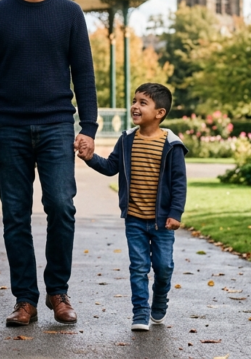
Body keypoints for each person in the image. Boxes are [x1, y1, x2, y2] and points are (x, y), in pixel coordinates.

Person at [0, 0, 98, 327]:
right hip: (9, 126)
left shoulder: (70, 13)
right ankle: (25, 299)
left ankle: (58, 292)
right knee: (15, 215)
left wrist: (89, 127)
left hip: (57, 125)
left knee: (61, 205)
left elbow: (84, 74)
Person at [81, 83, 187, 331]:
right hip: (135, 219)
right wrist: (90, 158)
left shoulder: (172, 145)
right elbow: (111, 167)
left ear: (159, 113)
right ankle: (140, 313)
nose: (135, 106)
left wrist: (175, 213)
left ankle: (159, 301)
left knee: (163, 267)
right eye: (134, 101)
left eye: (142, 102)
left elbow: (179, 182)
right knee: (138, 267)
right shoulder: (127, 139)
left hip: (162, 222)